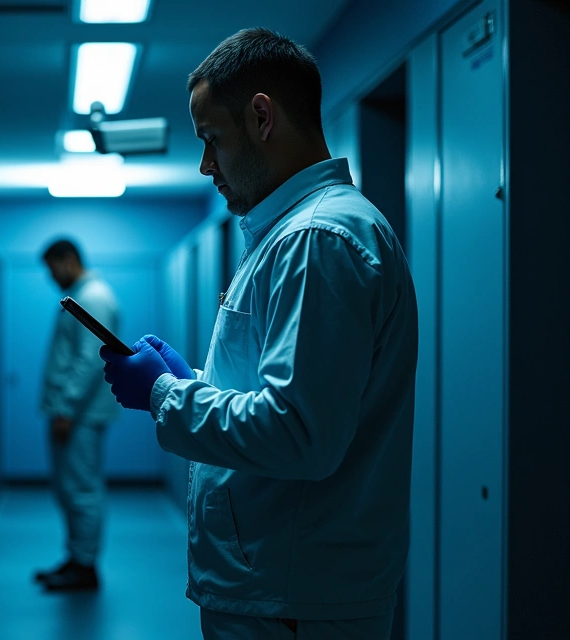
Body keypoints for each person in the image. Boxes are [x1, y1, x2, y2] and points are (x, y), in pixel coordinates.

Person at [99, 29, 418, 639]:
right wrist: (193, 382)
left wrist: (166, 395)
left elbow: (300, 435)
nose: (205, 164)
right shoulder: (297, 233)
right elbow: (291, 403)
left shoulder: (317, 239)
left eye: (211, 139)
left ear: (262, 117)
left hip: (293, 596)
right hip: (282, 588)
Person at [35, 238, 122, 592]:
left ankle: (85, 567)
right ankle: (75, 558)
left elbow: (89, 359)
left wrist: (66, 408)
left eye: (53, 268)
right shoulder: (86, 295)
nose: (51, 277)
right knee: (70, 489)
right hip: (74, 412)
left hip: (80, 414)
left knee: (81, 489)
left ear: (68, 260)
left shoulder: (94, 297)